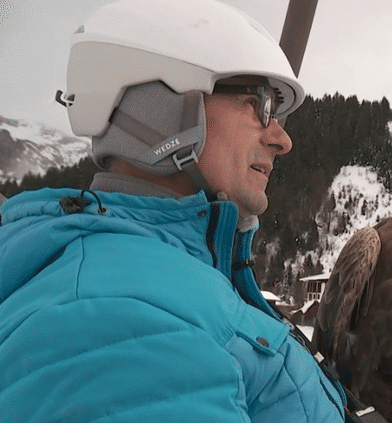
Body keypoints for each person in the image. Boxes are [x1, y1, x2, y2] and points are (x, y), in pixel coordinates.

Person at [0, 0, 347, 421]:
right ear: (166, 109)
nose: (281, 139)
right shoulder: (116, 320)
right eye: (260, 105)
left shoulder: (174, 278)